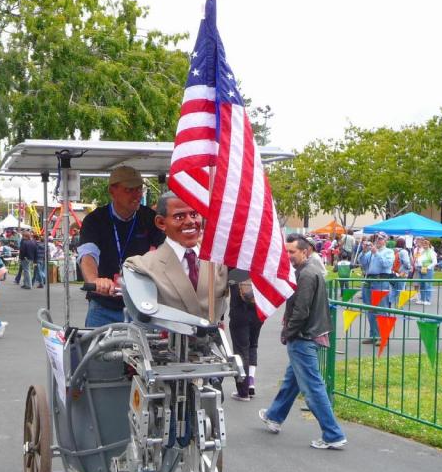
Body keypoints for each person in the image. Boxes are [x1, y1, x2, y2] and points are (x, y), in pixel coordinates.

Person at [258, 236, 347, 449]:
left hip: (303, 336)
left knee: (313, 387)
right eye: (286, 252)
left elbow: (301, 310)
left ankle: (333, 434)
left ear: (305, 252)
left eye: (292, 252)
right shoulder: (310, 271)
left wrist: (288, 332)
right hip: (308, 335)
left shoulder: (306, 274)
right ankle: (274, 416)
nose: (288, 256)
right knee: (292, 380)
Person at [77, 166, 165, 327]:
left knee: (153, 350)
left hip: (143, 305)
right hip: (104, 307)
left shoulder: (150, 218)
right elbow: (88, 254)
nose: (137, 195)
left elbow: (164, 252)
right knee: (95, 349)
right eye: (130, 190)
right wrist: (94, 280)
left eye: (139, 189)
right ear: (112, 191)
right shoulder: (95, 220)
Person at [124, 191, 228, 320]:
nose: (190, 221)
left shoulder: (218, 261)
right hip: (170, 338)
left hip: (213, 339)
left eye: (194, 214)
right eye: (179, 217)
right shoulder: (143, 266)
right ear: (161, 223)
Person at [226, 268, 264, 400]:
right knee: (253, 346)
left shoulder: (233, 266)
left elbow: (222, 289)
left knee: (241, 352)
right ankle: (251, 383)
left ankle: (243, 391)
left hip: (239, 313)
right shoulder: (260, 261)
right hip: (258, 312)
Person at [361, 232, 394, 344]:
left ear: (385, 240)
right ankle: (374, 335)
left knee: (381, 309)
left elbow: (386, 264)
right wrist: (364, 251)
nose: (378, 241)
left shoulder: (389, 252)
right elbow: (363, 263)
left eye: (380, 239)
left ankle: (383, 337)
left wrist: (377, 254)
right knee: (370, 310)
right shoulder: (371, 252)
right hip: (369, 281)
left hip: (381, 281)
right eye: (376, 238)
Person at [413, 237, 437, 304]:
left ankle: (427, 300)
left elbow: (435, 262)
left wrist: (428, 267)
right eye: (423, 243)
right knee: (422, 284)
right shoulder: (422, 251)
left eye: (426, 243)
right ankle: (422, 299)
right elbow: (418, 259)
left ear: (429, 244)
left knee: (427, 285)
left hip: (428, 270)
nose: (424, 245)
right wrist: (418, 264)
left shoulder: (431, 252)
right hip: (421, 269)